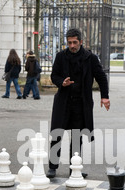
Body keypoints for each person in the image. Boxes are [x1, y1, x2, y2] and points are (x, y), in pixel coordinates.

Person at [46, 28, 110, 178]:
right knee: (57, 134)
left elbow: (101, 77)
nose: (72, 45)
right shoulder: (61, 56)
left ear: (81, 42)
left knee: (77, 137)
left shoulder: (90, 58)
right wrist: (62, 82)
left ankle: (74, 168)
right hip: (63, 101)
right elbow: (54, 75)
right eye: (69, 43)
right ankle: (52, 167)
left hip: (81, 103)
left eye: (75, 42)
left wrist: (104, 96)